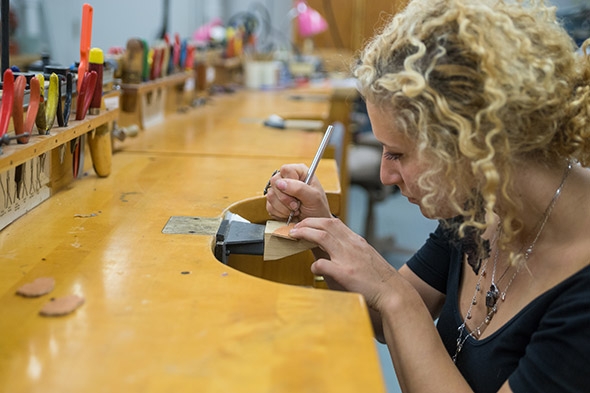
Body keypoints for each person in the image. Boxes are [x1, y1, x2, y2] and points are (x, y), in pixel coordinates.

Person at [264, 0, 590, 392]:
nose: (385, 175)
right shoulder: (480, 202)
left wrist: (393, 292)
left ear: (473, 142)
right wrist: (324, 233)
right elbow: (387, 322)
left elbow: (396, 304)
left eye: (398, 154)